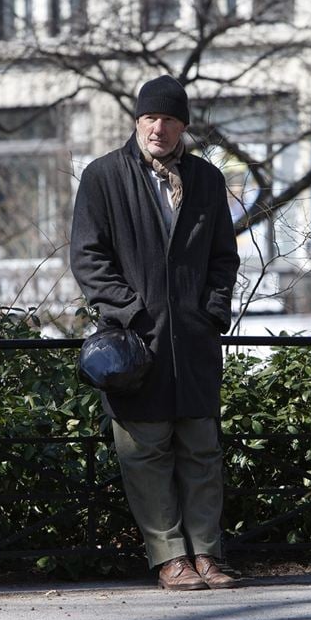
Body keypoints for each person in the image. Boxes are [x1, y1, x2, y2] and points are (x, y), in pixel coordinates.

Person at [70, 75, 240, 590]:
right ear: (137, 122)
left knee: (201, 450)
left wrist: (210, 312)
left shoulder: (207, 180)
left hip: (192, 341)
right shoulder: (103, 177)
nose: (157, 128)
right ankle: (169, 556)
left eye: (168, 119)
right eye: (149, 119)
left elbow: (223, 258)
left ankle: (207, 553)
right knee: (144, 452)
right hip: (134, 344)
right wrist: (129, 313)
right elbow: (88, 257)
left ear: (183, 126)